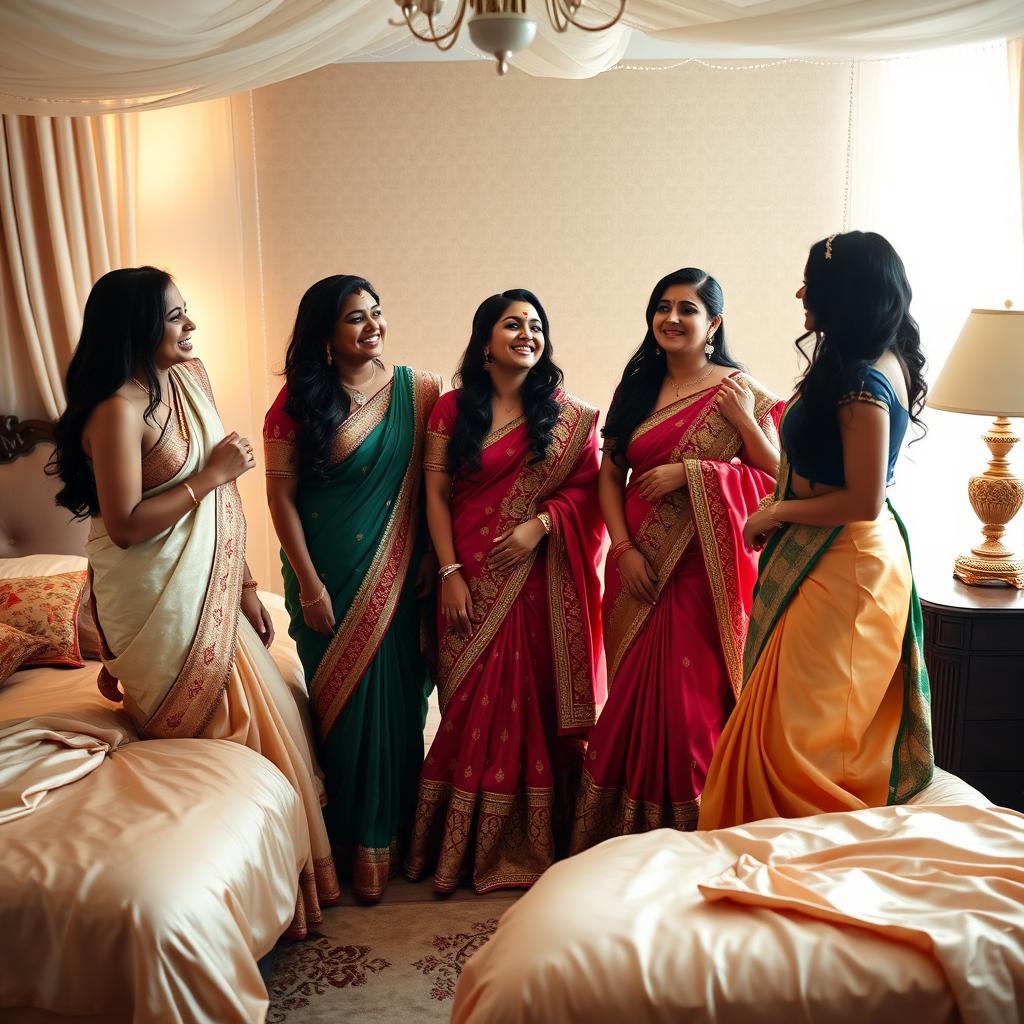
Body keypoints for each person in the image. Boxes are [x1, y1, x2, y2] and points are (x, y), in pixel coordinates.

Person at [52, 266, 339, 938]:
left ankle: (288, 880)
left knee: (272, 715)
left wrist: (240, 585)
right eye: (175, 317)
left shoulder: (184, 381)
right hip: (156, 597)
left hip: (206, 588)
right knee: (226, 726)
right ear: (137, 327)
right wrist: (211, 474)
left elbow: (226, 507)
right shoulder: (116, 410)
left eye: (186, 313)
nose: (190, 326)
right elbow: (123, 524)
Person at [699, 231, 934, 829]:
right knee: (789, 713)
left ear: (846, 293)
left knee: (808, 729)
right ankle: (769, 838)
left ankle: (810, 849)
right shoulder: (856, 362)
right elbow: (812, 471)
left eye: (815, 282)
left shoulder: (865, 382)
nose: (801, 291)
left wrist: (776, 512)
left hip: (849, 563)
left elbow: (862, 500)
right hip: (831, 554)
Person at [570, 268, 784, 853]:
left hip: (702, 574)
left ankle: (693, 845)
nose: (671, 318)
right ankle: (618, 844)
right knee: (628, 708)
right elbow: (610, 475)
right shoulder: (638, 383)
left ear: (713, 322)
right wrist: (624, 547)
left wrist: (701, 466)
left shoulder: (741, 392)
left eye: (686, 308)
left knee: (689, 718)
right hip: (637, 566)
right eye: (661, 307)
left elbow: (776, 478)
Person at [404, 289, 605, 893]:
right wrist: (449, 574)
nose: (527, 333)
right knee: (467, 704)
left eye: (536, 325)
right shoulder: (449, 411)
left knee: (534, 704)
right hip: (466, 576)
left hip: (538, 580)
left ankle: (536, 844)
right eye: (512, 324)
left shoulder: (569, 418)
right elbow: (434, 496)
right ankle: (462, 850)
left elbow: (592, 492)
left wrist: (540, 526)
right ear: (484, 339)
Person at [263, 275, 441, 902]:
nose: (372, 327)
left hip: (399, 571)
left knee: (399, 701)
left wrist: (427, 556)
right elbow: (280, 500)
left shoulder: (419, 392)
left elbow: (432, 485)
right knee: (342, 710)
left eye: (377, 313)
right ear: (325, 335)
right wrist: (309, 587)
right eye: (354, 319)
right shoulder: (296, 403)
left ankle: (395, 838)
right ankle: (351, 845)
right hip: (327, 577)